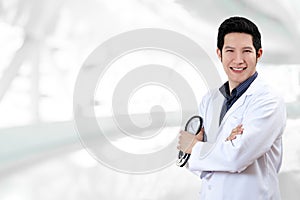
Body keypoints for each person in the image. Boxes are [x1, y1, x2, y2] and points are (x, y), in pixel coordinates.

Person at [177, 16, 286, 200]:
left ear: (258, 54)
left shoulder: (269, 101)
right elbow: (195, 164)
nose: (238, 60)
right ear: (219, 54)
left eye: (246, 51)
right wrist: (222, 148)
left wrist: (197, 148)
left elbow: (236, 158)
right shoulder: (210, 100)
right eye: (230, 51)